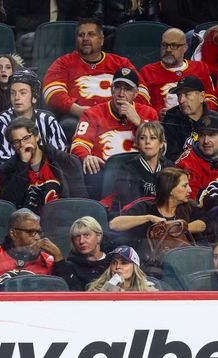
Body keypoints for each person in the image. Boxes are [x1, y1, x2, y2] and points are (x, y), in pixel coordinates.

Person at [42, 18, 147, 137]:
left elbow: (142, 92)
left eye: (91, 34)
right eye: (81, 35)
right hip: (80, 119)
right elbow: (52, 94)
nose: (85, 38)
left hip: (119, 116)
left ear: (101, 40)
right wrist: (77, 110)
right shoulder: (64, 63)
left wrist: (121, 110)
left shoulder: (121, 63)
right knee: (68, 125)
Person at [70, 67, 158, 197]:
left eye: (127, 89)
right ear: (111, 89)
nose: (121, 94)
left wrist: (139, 122)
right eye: (117, 87)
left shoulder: (149, 113)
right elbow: (78, 144)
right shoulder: (93, 113)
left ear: (136, 93)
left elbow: (159, 148)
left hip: (139, 178)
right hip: (103, 177)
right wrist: (86, 156)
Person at [109, 167, 208, 272]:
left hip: (185, 264)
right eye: (184, 186)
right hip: (151, 266)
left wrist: (174, 229)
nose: (190, 190)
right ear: (170, 189)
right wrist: (148, 218)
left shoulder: (189, 207)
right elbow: (114, 224)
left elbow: (203, 224)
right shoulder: (146, 207)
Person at [0, 116, 88, 212]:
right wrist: (23, 164)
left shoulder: (65, 161)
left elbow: (80, 200)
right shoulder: (7, 170)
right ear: (12, 146)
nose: (23, 144)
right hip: (26, 222)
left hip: (63, 217)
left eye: (26, 138)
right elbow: (9, 204)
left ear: (37, 137)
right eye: (16, 142)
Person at [0, 69, 66, 163]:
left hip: (47, 174)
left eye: (23, 93)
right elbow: (3, 160)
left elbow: (60, 154)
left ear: (34, 96)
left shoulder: (48, 121)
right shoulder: (0, 123)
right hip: (15, 175)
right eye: (13, 93)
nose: (17, 98)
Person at [140, 28, 218, 115]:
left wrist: (198, 111)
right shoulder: (148, 71)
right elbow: (141, 103)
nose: (168, 50)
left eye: (174, 45)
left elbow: (211, 99)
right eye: (164, 45)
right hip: (163, 124)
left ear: (185, 47)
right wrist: (157, 113)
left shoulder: (200, 68)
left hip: (197, 122)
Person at [0, 208, 57, 286]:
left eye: (39, 232)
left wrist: (59, 258)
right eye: (31, 232)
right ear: (13, 233)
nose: (37, 237)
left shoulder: (47, 260)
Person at [110, 121, 173, 213]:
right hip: (136, 216)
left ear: (161, 144)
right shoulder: (127, 169)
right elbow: (131, 203)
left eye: (153, 138)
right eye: (142, 138)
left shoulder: (170, 168)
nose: (147, 142)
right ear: (137, 143)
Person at [162, 76, 218, 162]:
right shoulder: (170, 123)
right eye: (179, 95)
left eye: (187, 94)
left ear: (202, 96)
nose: (181, 100)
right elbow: (172, 160)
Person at [51, 216, 112, 291]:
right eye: (77, 237)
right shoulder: (69, 268)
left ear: (98, 236)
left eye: (86, 235)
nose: (81, 241)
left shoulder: (115, 261)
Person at [87, 245, 157, 292]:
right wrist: (111, 286)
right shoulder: (96, 289)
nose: (117, 267)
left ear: (135, 267)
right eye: (114, 262)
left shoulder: (148, 290)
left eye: (124, 263)